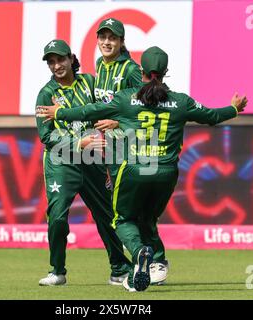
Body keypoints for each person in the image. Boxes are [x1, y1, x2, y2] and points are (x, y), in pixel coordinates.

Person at [36, 46, 248, 291]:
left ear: (142, 71)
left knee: (122, 219)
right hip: (166, 172)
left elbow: (89, 111)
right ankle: (157, 264)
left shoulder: (126, 98)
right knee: (148, 219)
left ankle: (139, 254)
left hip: (134, 170)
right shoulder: (181, 101)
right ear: (166, 71)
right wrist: (233, 108)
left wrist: (60, 112)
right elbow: (212, 116)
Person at [35, 39, 132, 286]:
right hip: (61, 163)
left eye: (60, 59)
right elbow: (47, 137)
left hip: (91, 162)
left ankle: (119, 269)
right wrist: (79, 143)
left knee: (107, 215)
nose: (57, 65)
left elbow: (109, 105)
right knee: (57, 217)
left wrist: (117, 122)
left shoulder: (89, 82)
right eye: (52, 62)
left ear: (71, 58)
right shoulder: (46, 94)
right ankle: (57, 271)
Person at [93, 17, 169, 285]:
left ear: (122, 41)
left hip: (132, 148)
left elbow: (149, 102)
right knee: (121, 211)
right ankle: (136, 263)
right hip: (112, 148)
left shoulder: (131, 70)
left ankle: (155, 260)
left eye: (112, 38)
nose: (106, 42)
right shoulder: (100, 66)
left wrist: (118, 121)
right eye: (102, 37)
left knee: (133, 212)